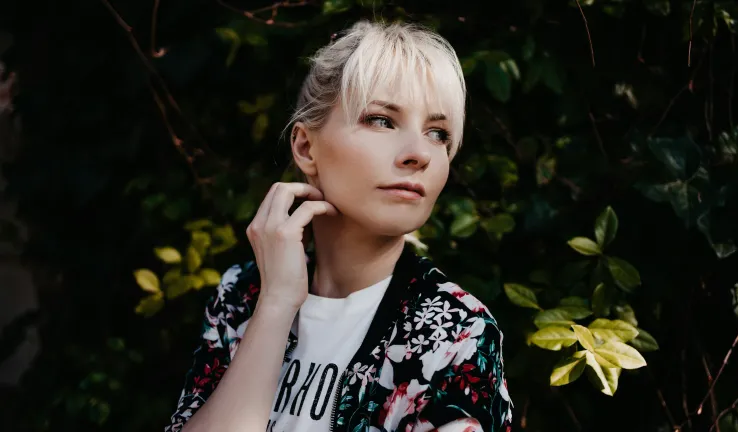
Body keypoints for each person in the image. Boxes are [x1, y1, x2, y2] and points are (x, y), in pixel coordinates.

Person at [165, 20, 514, 432]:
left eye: (438, 133)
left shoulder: (455, 330)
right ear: (306, 147)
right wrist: (276, 303)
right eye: (382, 120)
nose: (419, 153)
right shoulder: (242, 294)